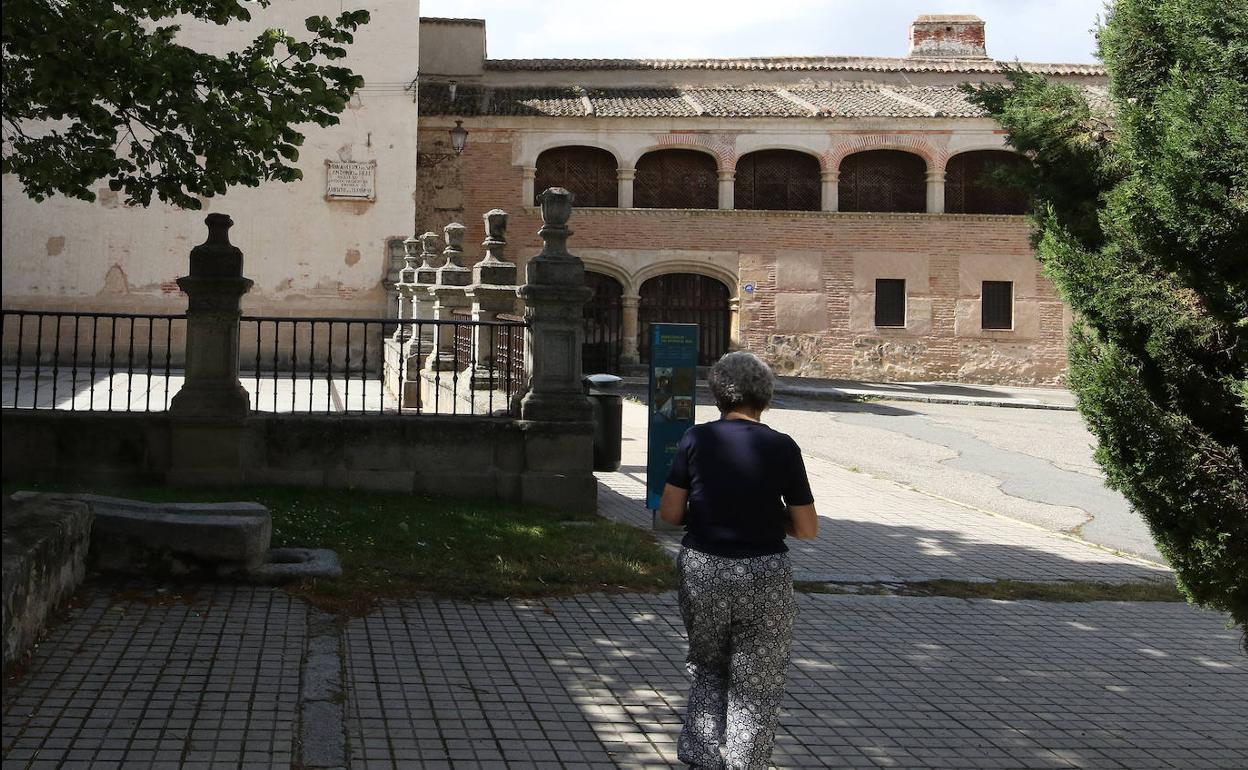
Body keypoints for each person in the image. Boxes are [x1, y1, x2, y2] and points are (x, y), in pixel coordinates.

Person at [659, 350, 818, 770]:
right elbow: (807, 528)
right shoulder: (782, 447)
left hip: (704, 568)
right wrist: (767, 514)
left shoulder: (696, 439)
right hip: (763, 573)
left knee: (709, 667)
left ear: (719, 396)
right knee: (756, 683)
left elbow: (670, 515)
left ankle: (702, 760)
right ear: (765, 397)